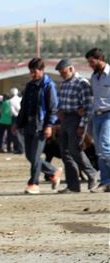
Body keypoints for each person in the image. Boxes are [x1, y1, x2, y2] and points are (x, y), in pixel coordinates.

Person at [13, 58, 62, 195]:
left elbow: (53, 108)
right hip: (28, 124)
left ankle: (34, 183)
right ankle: (53, 172)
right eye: (31, 72)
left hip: (41, 125)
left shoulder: (48, 85)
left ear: (42, 70)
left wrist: (49, 125)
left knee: (35, 156)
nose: (32, 74)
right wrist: (17, 123)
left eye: (34, 72)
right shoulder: (29, 86)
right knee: (30, 155)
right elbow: (23, 107)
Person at [54, 58, 97, 193]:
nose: (61, 74)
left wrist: (82, 125)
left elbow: (88, 106)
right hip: (65, 120)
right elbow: (61, 102)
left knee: (74, 150)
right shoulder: (64, 84)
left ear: (71, 69)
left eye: (63, 71)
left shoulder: (82, 83)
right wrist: (59, 112)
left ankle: (92, 173)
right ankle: (73, 185)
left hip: (76, 119)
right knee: (65, 153)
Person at [86, 48, 110, 193]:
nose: (90, 64)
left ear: (100, 58)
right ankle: (106, 182)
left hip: (109, 114)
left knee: (105, 146)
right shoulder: (94, 77)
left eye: (92, 61)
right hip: (97, 115)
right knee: (99, 150)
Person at [7, 88, 24, 154]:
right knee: (21, 134)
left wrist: (17, 116)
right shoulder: (20, 99)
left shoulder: (11, 100)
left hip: (15, 117)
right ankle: (20, 148)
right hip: (21, 117)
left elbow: (13, 111)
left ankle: (20, 149)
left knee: (16, 134)